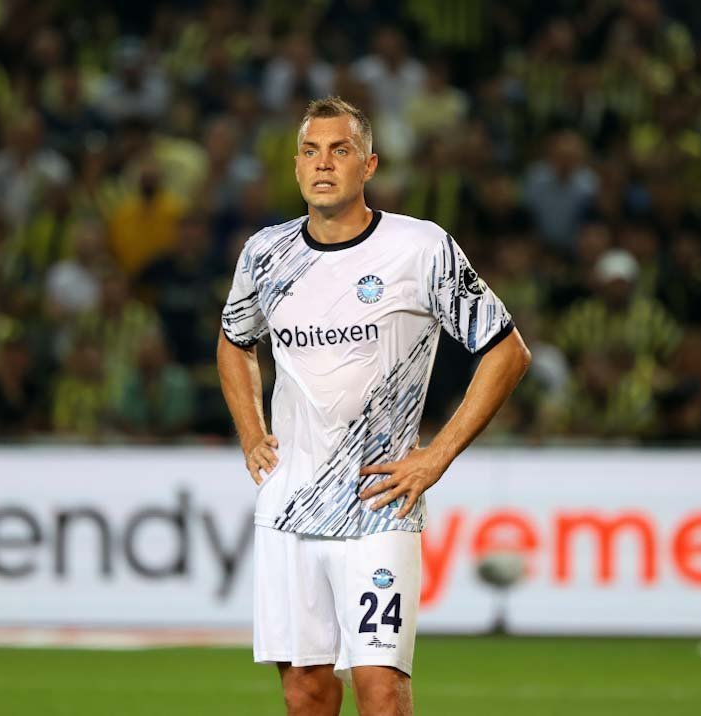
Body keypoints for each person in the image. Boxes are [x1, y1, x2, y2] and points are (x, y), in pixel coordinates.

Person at [216, 97, 531, 716]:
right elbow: (234, 341)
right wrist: (251, 431)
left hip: (378, 504)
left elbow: (507, 352)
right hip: (288, 504)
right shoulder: (265, 254)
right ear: (295, 166)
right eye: (310, 151)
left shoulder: (420, 247)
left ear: (369, 165)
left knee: (381, 691)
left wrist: (436, 456)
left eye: (340, 150)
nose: (323, 163)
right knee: (304, 693)